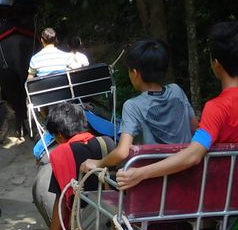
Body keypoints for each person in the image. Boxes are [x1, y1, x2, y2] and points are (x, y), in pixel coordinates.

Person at [115, 22, 238, 191]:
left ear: (216, 63)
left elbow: (193, 155)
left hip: (219, 192)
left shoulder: (217, 108)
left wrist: (140, 173)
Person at [81, 39, 195, 175]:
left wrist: (98, 163)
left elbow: (122, 152)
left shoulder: (133, 106)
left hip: (152, 177)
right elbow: (194, 126)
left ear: (135, 73)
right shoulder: (177, 91)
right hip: (187, 171)